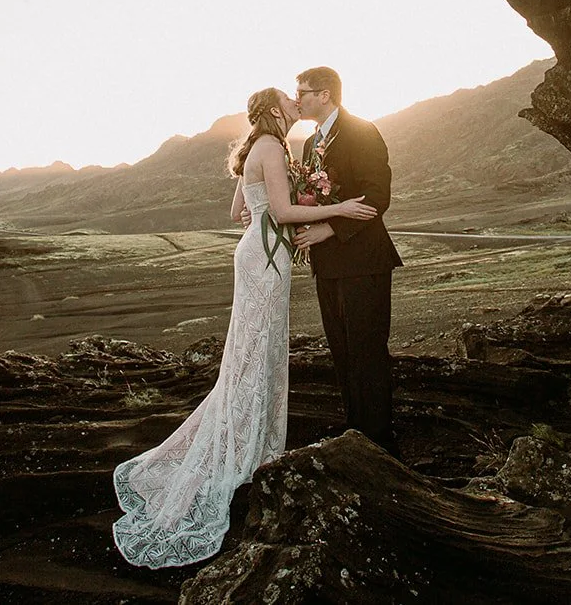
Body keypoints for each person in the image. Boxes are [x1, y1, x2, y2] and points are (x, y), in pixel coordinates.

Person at [111, 86, 376, 569]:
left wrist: (270, 215)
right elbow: (282, 212)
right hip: (267, 258)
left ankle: (248, 440)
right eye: (291, 101)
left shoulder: (258, 145)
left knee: (251, 349)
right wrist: (337, 209)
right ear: (277, 111)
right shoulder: (274, 147)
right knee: (259, 349)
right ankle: (250, 452)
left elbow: (240, 212)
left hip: (255, 252)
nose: (299, 105)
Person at [291, 66, 402, 455]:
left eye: (303, 91)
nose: (297, 98)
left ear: (325, 95)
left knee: (367, 352)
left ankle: (379, 446)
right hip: (329, 266)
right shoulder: (307, 145)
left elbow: (377, 196)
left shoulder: (362, 131)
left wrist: (329, 230)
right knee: (341, 352)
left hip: (364, 261)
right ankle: (353, 436)